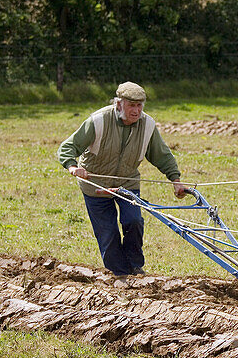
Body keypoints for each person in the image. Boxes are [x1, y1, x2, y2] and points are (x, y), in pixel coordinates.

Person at [57, 82, 188, 286]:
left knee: (134, 221)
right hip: (95, 185)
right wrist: (73, 167)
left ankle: (135, 267)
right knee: (107, 232)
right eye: (131, 105)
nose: (136, 111)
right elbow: (68, 147)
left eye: (139, 106)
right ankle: (119, 273)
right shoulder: (98, 121)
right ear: (119, 104)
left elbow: (162, 155)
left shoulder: (147, 125)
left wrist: (176, 180)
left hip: (127, 183)